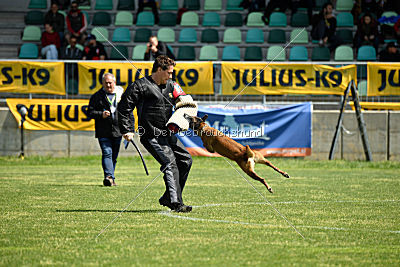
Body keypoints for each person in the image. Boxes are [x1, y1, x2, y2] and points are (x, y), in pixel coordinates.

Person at [117, 55, 193, 213]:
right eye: (169, 73)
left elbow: (185, 102)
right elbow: (124, 107)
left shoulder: (172, 85)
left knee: (186, 160)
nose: (171, 76)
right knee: (170, 163)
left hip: (168, 133)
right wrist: (127, 129)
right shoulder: (140, 85)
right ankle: (176, 203)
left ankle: (168, 197)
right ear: (159, 70)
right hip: (151, 135)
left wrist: (188, 114)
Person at [88, 73, 124, 186]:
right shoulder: (96, 96)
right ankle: (108, 176)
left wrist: (129, 129)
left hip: (117, 130)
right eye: (106, 83)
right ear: (102, 83)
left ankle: (111, 178)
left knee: (114, 156)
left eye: (110, 82)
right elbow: (89, 112)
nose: (108, 85)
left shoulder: (121, 95)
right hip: (103, 131)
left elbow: (127, 113)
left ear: (114, 82)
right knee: (107, 153)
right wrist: (100, 114)